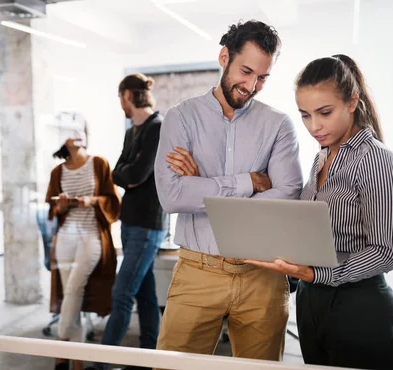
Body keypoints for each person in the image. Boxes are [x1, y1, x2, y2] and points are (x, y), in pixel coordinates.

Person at [245, 54, 393, 370]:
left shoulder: (377, 161)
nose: (314, 126)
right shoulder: (323, 158)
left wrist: (315, 273)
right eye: (305, 115)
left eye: (324, 113)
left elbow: (385, 253)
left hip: (360, 310)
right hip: (312, 304)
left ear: (352, 102)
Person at [153, 20, 303, 362]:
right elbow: (172, 197)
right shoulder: (181, 118)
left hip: (262, 277)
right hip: (196, 271)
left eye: (262, 77)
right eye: (246, 71)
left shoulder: (278, 125)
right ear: (224, 57)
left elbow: (288, 195)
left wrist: (202, 186)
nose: (251, 86)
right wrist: (250, 181)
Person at [90, 73, 168, 370]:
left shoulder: (157, 129)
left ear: (127, 96)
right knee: (146, 294)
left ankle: (102, 364)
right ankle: (148, 359)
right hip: (130, 222)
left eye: (119, 98)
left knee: (122, 294)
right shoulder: (131, 132)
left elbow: (134, 175)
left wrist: (126, 173)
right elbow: (118, 171)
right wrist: (126, 173)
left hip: (149, 225)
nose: (120, 104)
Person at [46, 129, 121, 370]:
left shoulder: (99, 163)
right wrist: (63, 205)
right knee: (71, 295)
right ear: (64, 140)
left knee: (73, 288)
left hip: (91, 235)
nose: (77, 134)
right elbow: (52, 211)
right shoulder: (57, 172)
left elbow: (112, 201)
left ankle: (60, 346)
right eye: (71, 131)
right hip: (66, 235)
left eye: (81, 129)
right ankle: (76, 362)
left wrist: (92, 200)